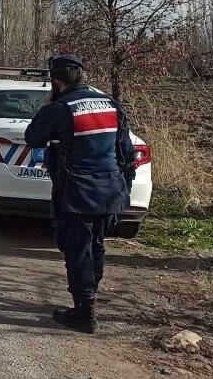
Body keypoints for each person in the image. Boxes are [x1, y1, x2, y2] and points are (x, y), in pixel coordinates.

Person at [24, 55, 136, 334]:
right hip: (110, 191)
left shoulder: (60, 108)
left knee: (78, 249)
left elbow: (33, 137)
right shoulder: (111, 105)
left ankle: (84, 313)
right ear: (83, 77)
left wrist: (47, 106)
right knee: (96, 246)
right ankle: (88, 301)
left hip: (76, 193)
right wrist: (126, 187)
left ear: (56, 81)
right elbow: (126, 153)